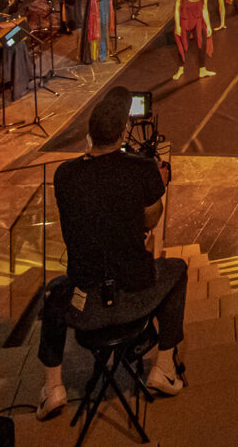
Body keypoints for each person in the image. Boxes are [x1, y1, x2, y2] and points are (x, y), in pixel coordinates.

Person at [34, 99, 190, 419]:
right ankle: (163, 366)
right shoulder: (141, 170)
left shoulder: (65, 175)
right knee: (178, 269)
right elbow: (150, 220)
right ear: (122, 134)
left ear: (89, 136)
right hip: (137, 296)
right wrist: (157, 185)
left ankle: (52, 388)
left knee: (54, 291)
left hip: (84, 306)